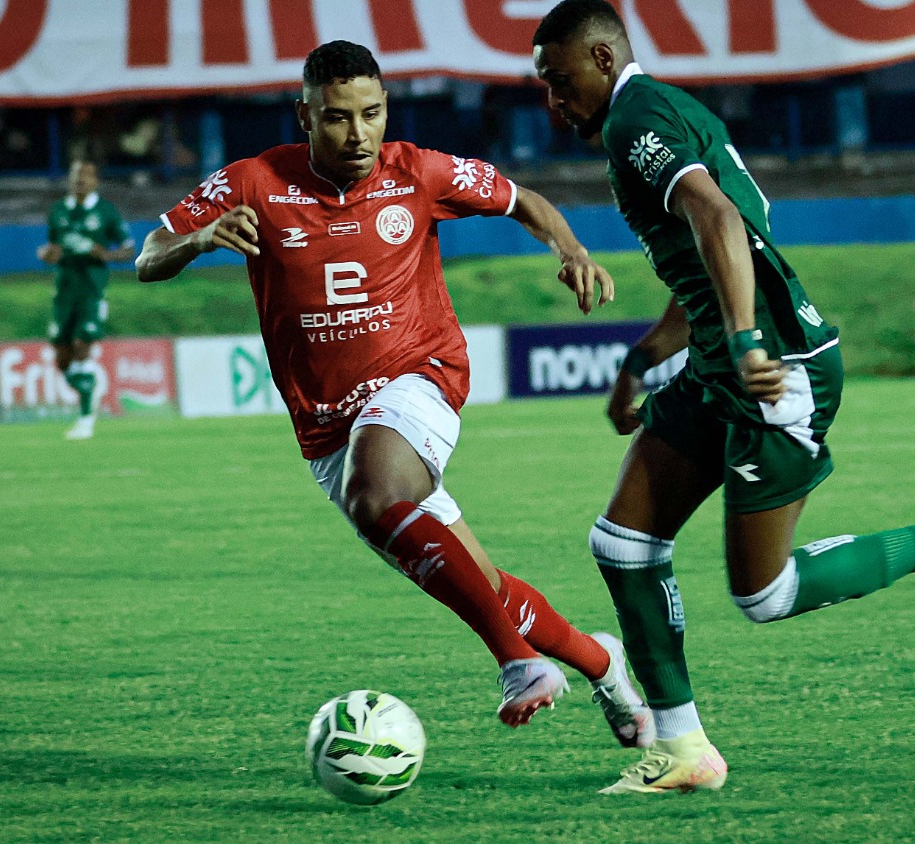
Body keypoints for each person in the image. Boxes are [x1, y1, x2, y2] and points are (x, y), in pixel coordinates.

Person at [530, 0, 915, 794]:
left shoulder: (637, 122)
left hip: (775, 368)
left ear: (603, 59)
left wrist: (744, 338)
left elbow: (718, 220)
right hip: (721, 364)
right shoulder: (663, 113)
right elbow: (712, 250)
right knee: (624, 541)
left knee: (765, 593)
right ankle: (685, 749)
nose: (554, 103)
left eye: (560, 82)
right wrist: (647, 357)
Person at [136, 41, 653, 743]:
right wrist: (200, 239)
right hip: (327, 429)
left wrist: (572, 250)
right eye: (338, 117)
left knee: (376, 492)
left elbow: (521, 199)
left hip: (421, 376)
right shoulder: (252, 182)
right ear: (305, 117)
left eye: (372, 114)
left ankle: (517, 663)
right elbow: (149, 255)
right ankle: (603, 663)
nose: (359, 134)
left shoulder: (418, 172)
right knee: (479, 583)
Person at [36, 160, 136, 440]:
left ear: (95, 181)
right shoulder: (58, 211)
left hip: (92, 290)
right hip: (64, 292)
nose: (80, 180)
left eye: (86, 176)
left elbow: (128, 249)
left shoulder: (106, 211)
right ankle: (88, 385)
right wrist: (47, 255)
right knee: (62, 359)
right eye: (75, 176)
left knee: (82, 346)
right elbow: (53, 248)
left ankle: (86, 419)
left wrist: (106, 254)